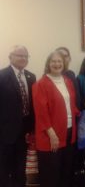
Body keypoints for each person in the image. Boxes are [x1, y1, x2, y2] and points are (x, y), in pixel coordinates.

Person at [32, 51, 79, 187]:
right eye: (53, 61)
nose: (57, 64)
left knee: (66, 171)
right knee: (51, 174)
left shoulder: (68, 81)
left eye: (59, 61)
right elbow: (41, 113)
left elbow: (71, 105)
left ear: (64, 64)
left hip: (69, 132)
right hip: (51, 135)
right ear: (48, 64)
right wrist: (52, 134)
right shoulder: (40, 84)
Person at [0, 45, 36, 187]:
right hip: (5, 132)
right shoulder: (2, 76)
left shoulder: (31, 76)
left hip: (24, 131)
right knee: (4, 167)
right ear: (10, 57)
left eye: (25, 56)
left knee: (21, 166)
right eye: (19, 55)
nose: (23, 58)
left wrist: (32, 128)